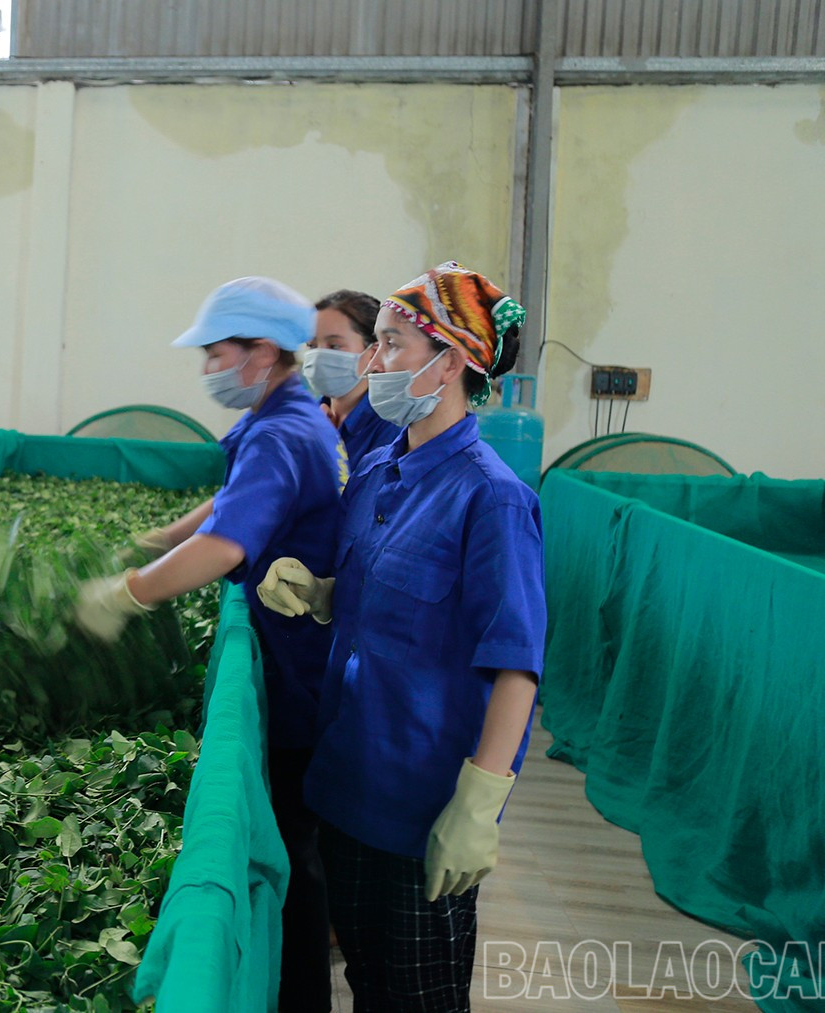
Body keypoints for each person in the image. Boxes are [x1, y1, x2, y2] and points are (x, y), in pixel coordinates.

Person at [258, 262, 545, 1012]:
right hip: (347, 781)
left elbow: (516, 665)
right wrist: (322, 595)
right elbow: (377, 603)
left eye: (390, 345)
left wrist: (478, 804)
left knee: (417, 997)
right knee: (365, 981)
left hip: (420, 809)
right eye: (376, 343)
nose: (373, 362)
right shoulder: (380, 470)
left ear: (449, 361)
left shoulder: (493, 498)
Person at [72, 277, 343, 1013]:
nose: (208, 370)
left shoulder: (285, 431)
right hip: (299, 652)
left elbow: (226, 545)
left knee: (291, 846)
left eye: (217, 353)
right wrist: (158, 541)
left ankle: (301, 997)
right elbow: (230, 505)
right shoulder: (282, 418)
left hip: (297, 667)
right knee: (295, 842)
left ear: (262, 352)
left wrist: (127, 591)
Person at [303, 288, 402, 472]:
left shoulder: (393, 429)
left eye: (334, 345)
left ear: (373, 353)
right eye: (312, 346)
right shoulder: (305, 420)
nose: (319, 356)